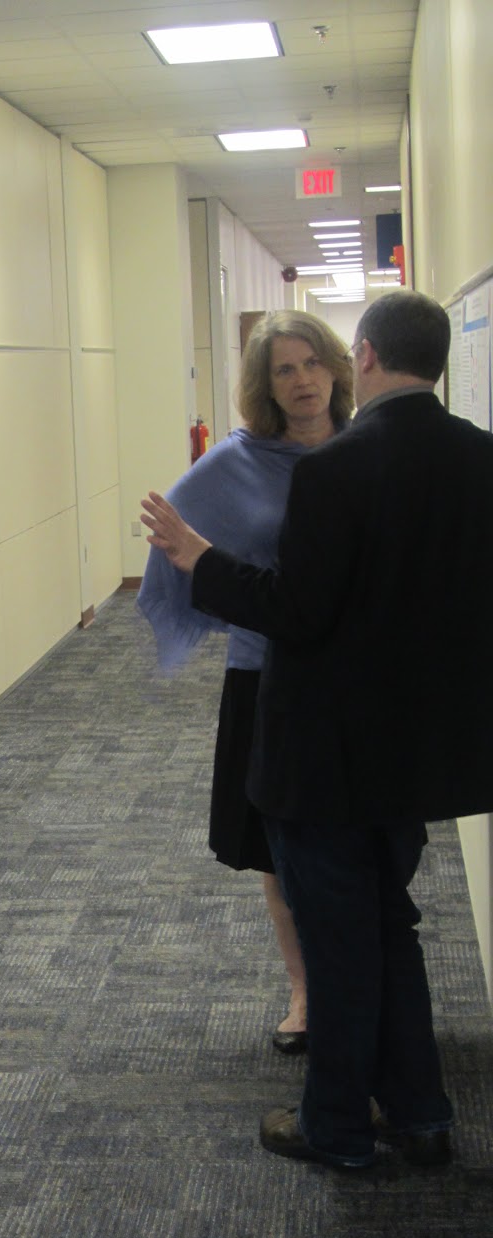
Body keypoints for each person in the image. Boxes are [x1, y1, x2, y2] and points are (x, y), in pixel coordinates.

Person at [141, 289, 493, 1170]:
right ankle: (420, 1114)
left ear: (361, 358)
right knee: (389, 923)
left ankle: (336, 1125)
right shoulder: (481, 458)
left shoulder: (337, 469)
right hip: (421, 751)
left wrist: (198, 560)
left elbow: (296, 611)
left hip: (328, 751)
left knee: (339, 938)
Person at [137, 311, 353, 1053]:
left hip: (359, 679)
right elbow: (177, 540)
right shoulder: (236, 463)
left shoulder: (364, 450)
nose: (303, 381)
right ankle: (304, 992)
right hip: (267, 677)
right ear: (265, 387)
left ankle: (363, 982)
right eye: (284, 370)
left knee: (365, 836)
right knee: (278, 847)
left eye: (313, 363)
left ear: (337, 368)